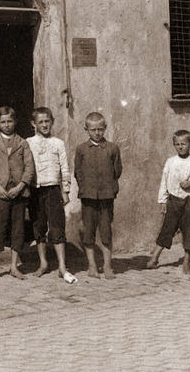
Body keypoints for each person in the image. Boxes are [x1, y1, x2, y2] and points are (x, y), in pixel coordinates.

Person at [0, 106, 35, 280]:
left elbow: (29, 168)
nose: (6, 125)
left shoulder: (22, 143)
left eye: (9, 121)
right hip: (0, 193)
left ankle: (14, 266)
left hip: (18, 193)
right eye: (3, 122)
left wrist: (20, 186)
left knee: (18, 229)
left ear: (15, 122)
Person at [26, 106, 77, 283]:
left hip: (53, 190)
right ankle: (43, 263)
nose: (44, 125)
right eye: (40, 122)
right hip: (35, 189)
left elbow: (65, 168)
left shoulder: (58, 143)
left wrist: (66, 190)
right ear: (34, 124)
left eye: (47, 121)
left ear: (52, 122)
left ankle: (62, 266)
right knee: (38, 226)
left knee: (57, 226)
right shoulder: (28, 143)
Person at [147, 130, 190, 275]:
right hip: (173, 200)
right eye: (177, 144)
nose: (181, 147)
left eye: (184, 144)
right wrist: (163, 200)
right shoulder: (170, 162)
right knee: (167, 228)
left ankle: (187, 261)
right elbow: (164, 182)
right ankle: (154, 258)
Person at [72, 111, 122, 279]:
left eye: (100, 129)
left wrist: (109, 188)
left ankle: (108, 266)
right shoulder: (81, 149)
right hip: (88, 197)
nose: (97, 133)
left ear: (105, 128)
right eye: (93, 130)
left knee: (106, 231)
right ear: (86, 130)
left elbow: (117, 171)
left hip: (107, 196)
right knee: (89, 232)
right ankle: (92, 266)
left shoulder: (112, 148)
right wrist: (86, 188)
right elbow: (77, 171)